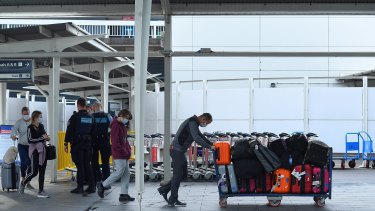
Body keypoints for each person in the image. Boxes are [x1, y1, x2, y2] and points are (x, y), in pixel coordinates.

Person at [157, 113, 215, 207]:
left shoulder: (194, 123)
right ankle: (173, 199)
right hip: (176, 150)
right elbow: (196, 138)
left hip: (179, 151)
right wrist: (209, 147)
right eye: (207, 123)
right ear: (203, 119)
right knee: (177, 175)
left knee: (183, 175)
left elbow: (201, 136)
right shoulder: (192, 122)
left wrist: (212, 144)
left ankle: (164, 190)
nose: (206, 125)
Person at [97, 109, 135, 202]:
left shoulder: (122, 126)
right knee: (119, 172)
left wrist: (128, 151)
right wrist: (124, 151)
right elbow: (115, 142)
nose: (127, 121)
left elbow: (124, 141)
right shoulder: (115, 126)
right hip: (119, 154)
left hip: (124, 153)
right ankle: (102, 185)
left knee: (126, 174)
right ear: (121, 116)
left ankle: (124, 194)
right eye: (126, 118)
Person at [64, 97, 96, 195]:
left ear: (78, 105)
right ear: (85, 105)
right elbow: (94, 133)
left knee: (80, 166)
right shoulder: (91, 117)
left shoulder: (75, 117)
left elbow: (69, 130)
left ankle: (80, 187)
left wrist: (66, 143)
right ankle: (92, 187)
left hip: (77, 145)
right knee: (87, 165)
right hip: (88, 145)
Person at [18, 111, 50, 198]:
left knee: (42, 171)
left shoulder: (41, 126)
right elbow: (30, 140)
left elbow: (44, 135)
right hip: (34, 151)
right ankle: (23, 182)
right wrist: (41, 138)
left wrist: (47, 138)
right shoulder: (30, 128)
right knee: (34, 172)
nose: (41, 118)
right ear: (35, 118)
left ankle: (41, 190)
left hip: (42, 151)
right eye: (40, 116)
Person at [10, 107, 33, 189]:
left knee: (30, 163)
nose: (26, 115)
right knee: (24, 162)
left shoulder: (32, 121)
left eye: (27, 114)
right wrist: (13, 136)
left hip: (31, 146)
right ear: (22, 114)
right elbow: (13, 131)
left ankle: (28, 182)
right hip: (22, 145)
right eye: (24, 114)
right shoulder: (19, 122)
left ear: (29, 113)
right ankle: (23, 179)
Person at [91, 102, 112, 184]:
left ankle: (97, 178)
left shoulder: (92, 117)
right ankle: (106, 180)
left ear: (93, 108)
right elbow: (112, 127)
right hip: (105, 141)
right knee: (105, 162)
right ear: (101, 107)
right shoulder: (108, 116)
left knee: (94, 161)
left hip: (94, 142)